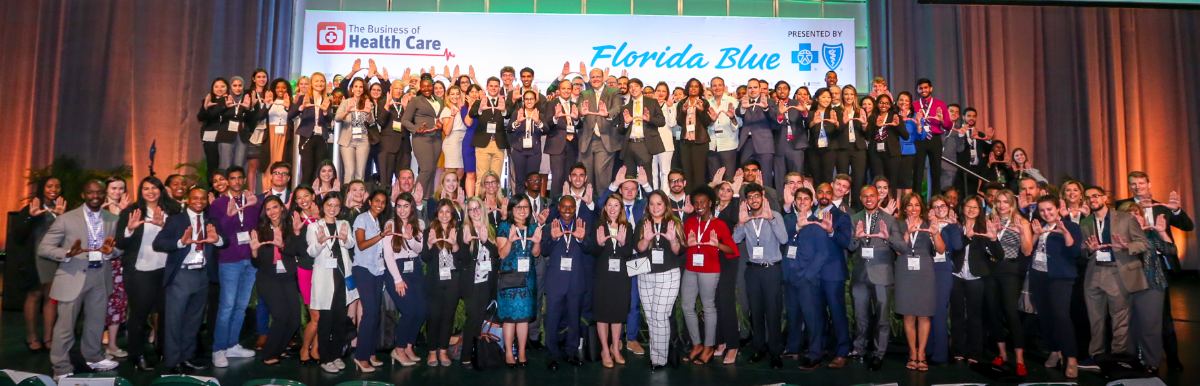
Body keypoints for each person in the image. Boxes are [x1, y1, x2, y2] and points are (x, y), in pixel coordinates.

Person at [40, 180, 121, 380]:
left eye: (99, 193)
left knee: (96, 322)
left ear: (104, 195)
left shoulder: (112, 218)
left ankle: (94, 356)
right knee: (65, 327)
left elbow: (119, 248)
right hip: (72, 276)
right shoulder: (66, 219)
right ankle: (60, 367)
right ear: (83, 195)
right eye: (90, 192)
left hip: (100, 275)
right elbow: (44, 248)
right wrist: (67, 252)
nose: (95, 196)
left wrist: (112, 253)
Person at [152, 187, 224, 374]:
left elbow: (225, 242)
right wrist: (180, 243)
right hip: (181, 276)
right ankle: (172, 361)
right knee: (174, 321)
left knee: (194, 321)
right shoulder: (177, 220)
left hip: (202, 275)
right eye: (195, 198)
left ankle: (187, 357)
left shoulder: (211, 220)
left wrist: (217, 240)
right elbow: (158, 243)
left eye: (202, 198)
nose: (199, 201)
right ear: (188, 200)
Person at [114, 177, 178, 371]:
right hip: (140, 271)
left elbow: (178, 239)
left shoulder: (173, 210)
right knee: (139, 316)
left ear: (161, 190)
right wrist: (129, 230)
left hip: (166, 270)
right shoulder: (132, 211)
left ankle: (163, 350)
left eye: (154, 188)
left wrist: (163, 227)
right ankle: (137, 355)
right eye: (146, 188)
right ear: (141, 192)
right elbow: (120, 244)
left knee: (166, 314)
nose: (150, 192)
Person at [1079, 185, 1148, 364]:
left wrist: (1126, 246)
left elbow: (1143, 243)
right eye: (1088, 198)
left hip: (1118, 271)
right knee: (1095, 318)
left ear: (1104, 198)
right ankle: (1096, 354)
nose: (1092, 200)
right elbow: (1081, 250)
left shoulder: (1125, 218)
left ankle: (1118, 355)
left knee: (1119, 317)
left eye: (1095, 196)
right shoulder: (1085, 222)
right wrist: (1088, 249)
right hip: (1094, 272)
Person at [207, 167, 260, 368]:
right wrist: (229, 215)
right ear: (228, 181)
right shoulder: (219, 204)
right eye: (233, 178)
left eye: (240, 178)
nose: (237, 181)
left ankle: (232, 344)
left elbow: (255, 227)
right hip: (229, 260)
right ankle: (218, 349)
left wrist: (254, 206)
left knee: (241, 306)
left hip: (249, 258)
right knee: (227, 306)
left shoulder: (252, 200)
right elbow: (218, 231)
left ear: (244, 179)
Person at [732, 183, 788, 369]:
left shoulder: (775, 216)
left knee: (773, 312)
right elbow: (735, 240)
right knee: (755, 311)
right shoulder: (746, 219)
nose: (754, 200)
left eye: (757, 196)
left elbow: (784, 239)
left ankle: (775, 352)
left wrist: (770, 218)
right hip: (753, 271)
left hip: (771, 269)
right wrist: (741, 222)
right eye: (750, 197)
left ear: (763, 196)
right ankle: (759, 348)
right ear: (746, 201)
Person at [848, 185, 904, 371]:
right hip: (860, 275)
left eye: (872, 195)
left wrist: (888, 238)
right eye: (865, 196)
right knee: (860, 317)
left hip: (882, 275)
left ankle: (879, 354)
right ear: (861, 198)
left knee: (882, 319)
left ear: (878, 198)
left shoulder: (889, 220)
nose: (869, 199)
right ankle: (859, 349)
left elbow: (902, 248)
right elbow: (849, 246)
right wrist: (855, 238)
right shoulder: (854, 218)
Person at [680, 185, 738, 365]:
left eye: (703, 202)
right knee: (687, 306)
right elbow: (681, 245)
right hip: (691, 269)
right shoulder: (689, 222)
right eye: (696, 202)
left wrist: (717, 244)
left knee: (708, 307)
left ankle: (709, 346)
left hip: (710, 271)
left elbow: (733, 251)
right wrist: (685, 244)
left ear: (710, 203)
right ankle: (697, 344)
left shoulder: (719, 224)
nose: (699, 205)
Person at [1028, 196, 1083, 378]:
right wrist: (1035, 234)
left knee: (1061, 316)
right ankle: (1054, 350)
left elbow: (1074, 252)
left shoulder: (1071, 226)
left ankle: (1071, 358)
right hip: (1038, 276)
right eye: (1042, 210)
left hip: (1060, 278)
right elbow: (1027, 251)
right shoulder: (1039, 226)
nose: (1046, 213)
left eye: (1050, 209)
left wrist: (1064, 232)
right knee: (1044, 316)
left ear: (1058, 208)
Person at [306, 192, 359, 373]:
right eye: (329, 205)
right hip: (324, 280)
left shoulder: (344, 224)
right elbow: (312, 252)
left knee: (339, 320)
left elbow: (351, 244)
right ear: (323, 206)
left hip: (342, 278)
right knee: (325, 321)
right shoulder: (314, 227)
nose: (332, 208)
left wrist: (345, 239)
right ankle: (325, 358)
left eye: (336, 205)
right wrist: (321, 242)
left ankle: (336, 355)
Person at [1119, 200, 1174, 373]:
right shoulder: (1119, 237)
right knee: (1129, 325)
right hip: (1125, 285)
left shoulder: (1151, 235)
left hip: (1151, 284)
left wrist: (1162, 231)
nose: (1134, 217)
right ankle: (1132, 358)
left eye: (1137, 213)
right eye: (1129, 215)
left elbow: (1171, 251)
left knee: (1150, 325)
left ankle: (1152, 362)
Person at [13, 177, 66, 353]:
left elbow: (69, 236)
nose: (54, 189)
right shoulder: (31, 207)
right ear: (42, 188)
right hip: (34, 259)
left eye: (57, 186)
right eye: (49, 186)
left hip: (55, 258)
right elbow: (18, 235)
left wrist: (61, 217)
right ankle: (31, 337)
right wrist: (30, 216)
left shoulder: (62, 208)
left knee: (51, 299)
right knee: (34, 296)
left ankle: (48, 338)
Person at [894, 193, 945, 372]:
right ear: (905, 207)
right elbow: (898, 251)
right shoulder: (898, 224)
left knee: (924, 314)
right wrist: (907, 233)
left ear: (921, 207)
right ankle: (912, 353)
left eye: (917, 205)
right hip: (904, 272)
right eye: (910, 205)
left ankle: (921, 354)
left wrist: (935, 232)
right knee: (908, 314)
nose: (913, 208)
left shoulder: (928, 223)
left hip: (924, 272)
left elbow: (940, 249)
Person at [248, 195, 301, 366]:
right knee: (280, 316)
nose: (272, 212)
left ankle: (279, 348)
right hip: (268, 279)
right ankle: (269, 353)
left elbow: (296, 251)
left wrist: (283, 246)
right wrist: (254, 251)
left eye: (275, 207)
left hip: (287, 278)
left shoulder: (290, 227)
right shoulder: (259, 231)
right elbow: (256, 263)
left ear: (281, 208)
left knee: (294, 319)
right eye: (268, 209)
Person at [634, 191, 684, 370]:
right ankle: (657, 354)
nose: (655, 207)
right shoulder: (642, 223)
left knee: (660, 316)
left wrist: (672, 241)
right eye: (652, 204)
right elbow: (639, 248)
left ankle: (659, 359)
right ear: (647, 206)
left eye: (659, 203)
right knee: (651, 318)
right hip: (645, 275)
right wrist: (646, 240)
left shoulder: (674, 223)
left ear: (666, 205)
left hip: (668, 275)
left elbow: (679, 251)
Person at [585, 194, 636, 368]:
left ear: (621, 208)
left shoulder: (627, 227)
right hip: (602, 277)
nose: (613, 209)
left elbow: (629, 252)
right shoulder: (598, 225)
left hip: (621, 277)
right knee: (602, 313)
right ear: (605, 208)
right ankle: (605, 350)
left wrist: (622, 244)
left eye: (616, 205)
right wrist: (598, 244)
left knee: (617, 314)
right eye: (610, 205)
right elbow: (591, 250)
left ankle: (616, 348)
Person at [950, 196, 1001, 364]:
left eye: (975, 207)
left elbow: (999, 255)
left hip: (976, 276)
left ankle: (975, 352)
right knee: (957, 314)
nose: (971, 210)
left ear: (980, 211)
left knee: (975, 315)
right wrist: (967, 237)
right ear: (963, 207)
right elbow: (953, 251)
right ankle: (958, 350)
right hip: (956, 274)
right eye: (968, 206)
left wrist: (993, 238)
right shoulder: (955, 226)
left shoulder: (985, 227)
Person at [541, 196, 590, 370]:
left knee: (574, 320)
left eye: (571, 207)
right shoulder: (550, 227)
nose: (568, 210)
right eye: (564, 207)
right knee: (552, 320)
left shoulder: (582, 227)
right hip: (555, 282)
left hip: (576, 281)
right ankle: (552, 355)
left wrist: (581, 239)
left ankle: (571, 352)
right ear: (559, 208)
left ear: (575, 208)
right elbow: (543, 251)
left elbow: (590, 249)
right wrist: (553, 239)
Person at [987, 190, 1034, 376]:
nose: (1001, 205)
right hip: (990, 268)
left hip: (1010, 270)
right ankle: (1002, 354)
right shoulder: (989, 218)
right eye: (998, 201)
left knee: (1011, 313)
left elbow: (1028, 250)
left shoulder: (1021, 221)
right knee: (993, 311)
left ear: (1012, 203)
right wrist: (992, 234)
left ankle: (1020, 359)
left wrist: (1022, 233)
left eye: (1005, 202)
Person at [382, 192, 427, 366]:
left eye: (406, 206)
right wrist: (397, 279)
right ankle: (398, 349)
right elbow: (388, 255)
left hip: (414, 269)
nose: (402, 210)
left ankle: (409, 345)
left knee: (422, 310)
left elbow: (419, 249)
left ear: (412, 208)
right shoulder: (390, 224)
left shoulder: (418, 224)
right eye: (399, 206)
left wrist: (410, 238)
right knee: (408, 311)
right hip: (396, 271)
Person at [497, 196, 542, 367]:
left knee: (523, 318)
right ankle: (509, 352)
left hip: (527, 279)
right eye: (518, 207)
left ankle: (522, 352)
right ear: (511, 210)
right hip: (509, 278)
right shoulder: (505, 226)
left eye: (525, 207)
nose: (522, 211)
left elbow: (536, 254)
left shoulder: (533, 227)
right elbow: (501, 254)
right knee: (509, 319)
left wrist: (537, 243)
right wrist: (510, 240)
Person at [350, 191, 393, 372]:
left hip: (377, 270)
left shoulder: (377, 222)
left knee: (375, 313)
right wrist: (382, 236)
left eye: (383, 202)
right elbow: (361, 244)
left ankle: (370, 352)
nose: (380, 204)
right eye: (377, 201)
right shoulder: (362, 219)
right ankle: (361, 356)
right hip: (363, 269)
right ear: (370, 202)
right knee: (370, 312)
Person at [423, 199, 467, 366]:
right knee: (433, 318)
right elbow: (425, 258)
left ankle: (443, 351)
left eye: (448, 211)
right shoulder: (430, 231)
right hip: (434, 281)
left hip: (453, 282)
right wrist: (428, 243)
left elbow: (464, 259)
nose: (444, 215)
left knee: (448, 318)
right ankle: (432, 352)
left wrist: (455, 245)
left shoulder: (458, 232)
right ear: (436, 214)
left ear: (452, 214)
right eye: (441, 211)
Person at [458, 197, 499, 366]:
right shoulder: (464, 230)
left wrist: (485, 242)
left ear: (483, 210)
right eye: (471, 209)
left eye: (477, 208)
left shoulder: (490, 229)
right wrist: (466, 244)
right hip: (471, 283)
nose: (474, 212)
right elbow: (462, 260)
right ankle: (465, 356)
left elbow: (496, 257)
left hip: (486, 281)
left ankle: (474, 351)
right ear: (467, 213)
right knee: (472, 318)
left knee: (479, 317)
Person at [578, 68, 623, 192]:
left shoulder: (614, 92)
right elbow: (579, 110)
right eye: (593, 77)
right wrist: (581, 113)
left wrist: (607, 114)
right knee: (586, 179)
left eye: (598, 76)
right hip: (587, 141)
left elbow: (617, 108)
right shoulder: (584, 94)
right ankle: (588, 207)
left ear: (603, 78)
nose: (595, 79)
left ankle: (603, 207)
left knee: (602, 177)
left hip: (605, 139)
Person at [401, 76, 445, 198]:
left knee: (432, 171)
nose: (426, 88)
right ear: (420, 87)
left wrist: (440, 124)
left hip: (436, 138)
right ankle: (415, 198)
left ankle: (427, 199)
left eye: (429, 86)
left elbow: (439, 116)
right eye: (424, 86)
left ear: (433, 86)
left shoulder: (439, 100)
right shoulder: (416, 100)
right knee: (426, 169)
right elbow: (405, 120)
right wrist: (416, 128)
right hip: (421, 139)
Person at [469, 77, 511, 192]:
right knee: (482, 178)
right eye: (491, 86)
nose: (493, 88)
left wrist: (503, 111)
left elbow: (509, 116)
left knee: (496, 179)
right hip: (483, 144)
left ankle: (495, 206)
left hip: (499, 144)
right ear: (487, 87)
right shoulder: (480, 101)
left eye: (496, 86)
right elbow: (472, 114)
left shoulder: (504, 102)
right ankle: (477, 206)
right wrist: (480, 110)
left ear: (499, 88)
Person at [675, 78, 716, 191]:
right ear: (687, 88)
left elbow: (707, 123)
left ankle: (699, 199)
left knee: (699, 173)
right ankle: (688, 199)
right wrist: (683, 112)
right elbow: (679, 122)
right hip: (685, 142)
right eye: (691, 86)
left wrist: (701, 110)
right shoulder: (682, 103)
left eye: (696, 86)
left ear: (700, 89)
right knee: (686, 172)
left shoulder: (704, 102)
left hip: (700, 142)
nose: (693, 88)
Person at [619, 78, 666, 174]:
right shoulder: (625, 107)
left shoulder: (652, 102)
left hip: (645, 144)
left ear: (641, 88)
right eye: (630, 87)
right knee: (629, 179)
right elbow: (620, 130)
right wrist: (626, 123)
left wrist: (649, 119)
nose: (633, 89)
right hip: (629, 145)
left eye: (636, 86)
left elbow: (662, 121)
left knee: (646, 178)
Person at [913, 79, 951, 196]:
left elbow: (948, 125)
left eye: (925, 87)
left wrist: (942, 120)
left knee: (936, 171)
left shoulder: (940, 104)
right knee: (918, 171)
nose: (923, 90)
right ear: (917, 90)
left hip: (934, 138)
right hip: (919, 139)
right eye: (921, 88)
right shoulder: (914, 105)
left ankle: (935, 200)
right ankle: (917, 200)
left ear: (931, 88)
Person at [736, 79, 778, 186]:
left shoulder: (769, 102)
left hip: (764, 144)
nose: (752, 90)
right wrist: (742, 109)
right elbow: (738, 113)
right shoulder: (743, 101)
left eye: (755, 87)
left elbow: (775, 119)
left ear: (760, 89)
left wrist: (766, 108)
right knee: (744, 175)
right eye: (749, 88)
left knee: (766, 176)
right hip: (746, 143)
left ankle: (766, 200)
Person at [546, 80, 582, 198]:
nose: (566, 91)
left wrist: (576, 119)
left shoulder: (574, 105)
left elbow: (579, 125)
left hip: (572, 145)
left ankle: (568, 203)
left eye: (568, 89)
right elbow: (547, 125)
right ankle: (554, 208)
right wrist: (555, 118)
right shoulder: (552, 104)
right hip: (557, 145)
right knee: (557, 178)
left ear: (571, 90)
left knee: (569, 177)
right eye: (563, 88)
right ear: (559, 90)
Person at [336, 78, 376, 182]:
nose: (358, 89)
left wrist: (368, 113)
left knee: (360, 173)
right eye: (356, 86)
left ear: (363, 89)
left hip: (363, 139)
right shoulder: (346, 102)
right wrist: (347, 112)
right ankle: (346, 197)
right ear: (352, 89)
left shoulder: (368, 102)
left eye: (361, 87)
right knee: (350, 172)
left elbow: (372, 122)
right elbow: (337, 118)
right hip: (347, 139)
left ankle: (359, 197)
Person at [773, 80, 807, 194]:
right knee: (779, 179)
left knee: (797, 178)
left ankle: (798, 202)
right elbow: (771, 124)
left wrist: (804, 113)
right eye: (779, 88)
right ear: (775, 91)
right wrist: (780, 115)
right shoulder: (770, 105)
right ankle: (781, 205)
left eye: (785, 88)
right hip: (779, 146)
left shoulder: (797, 103)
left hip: (796, 145)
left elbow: (808, 122)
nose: (782, 90)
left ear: (789, 90)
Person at [509, 90, 546, 195]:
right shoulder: (517, 113)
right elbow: (509, 129)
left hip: (534, 152)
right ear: (523, 100)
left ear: (535, 100)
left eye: (531, 99)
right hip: (519, 151)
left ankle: (533, 205)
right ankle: (520, 204)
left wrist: (538, 121)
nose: (529, 101)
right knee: (520, 179)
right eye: (526, 99)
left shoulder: (539, 114)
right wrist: (517, 122)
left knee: (533, 180)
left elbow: (546, 130)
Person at [379, 74, 413, 187]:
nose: (398, 91)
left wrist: (405, 108)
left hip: (404, 146)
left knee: (404, 181)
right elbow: (381, 122)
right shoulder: (383, 101)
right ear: (391, 89)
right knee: (386, 180)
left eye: (401, 89)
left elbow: (411, 124)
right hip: (388, 146)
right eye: (396, 88)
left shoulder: (407, 103)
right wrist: (387, 107)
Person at [704, 77, 735, 186]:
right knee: (714, 180)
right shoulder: (706, 103)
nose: (717, 88)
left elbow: (738, 123)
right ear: (711, 88)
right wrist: (711, 121)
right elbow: (704, 124)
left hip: (728, 145)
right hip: (712, 144)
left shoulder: (732, 101)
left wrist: (732, 118)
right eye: (714, 85)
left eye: (719, 85)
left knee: (729, 180)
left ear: (724, 86)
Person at [808, 88, 842, 184]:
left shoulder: (834, 112)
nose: (826, 99)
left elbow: (840, 130)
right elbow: (806, 127)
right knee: (816, 177)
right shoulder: (811, 113)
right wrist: (813, 122)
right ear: (817, 99)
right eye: (823, 97)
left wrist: (836, 123)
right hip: (814, 149)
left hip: (830, 149)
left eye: (828, 97)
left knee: (828, 177)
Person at [198, 78, 231, 176]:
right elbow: (201, 117)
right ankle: (213, 189)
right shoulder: (208, 101)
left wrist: (223, 103)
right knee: (212, 165)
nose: (219, 89)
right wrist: (205, 107)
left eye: (222, 86)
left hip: (226, 137)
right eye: (216, 86)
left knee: (225, 164)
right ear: (212, 88)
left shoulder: (231, 100)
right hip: (210, 136)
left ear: (227, 88)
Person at [838, 85, 869, 188]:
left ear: (855, 96)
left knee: (859, 180)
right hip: (842, 149)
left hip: (858, 148)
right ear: (842, 96)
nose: (849, 97)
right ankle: (844, 203)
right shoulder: (836, 111)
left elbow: (866, 134)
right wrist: (843, 123)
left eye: (851, 94)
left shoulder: (860, 111)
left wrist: (864, 125)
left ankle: (857, 204)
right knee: (843, 180)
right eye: (846, 94)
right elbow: (834, 132)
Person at [652, 82, 679, 191]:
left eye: (664, 91)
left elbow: (672, 123)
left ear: (667, 93)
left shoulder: (671, 105)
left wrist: (670, 107)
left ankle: (665, 197)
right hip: (651, 143)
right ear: (655, 92)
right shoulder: (650, 104)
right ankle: (653, 195)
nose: (661, 93)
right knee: (653, 172)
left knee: (665, 171)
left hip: (666, 143)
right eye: (658, 90)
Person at [893, 92, 919, 198]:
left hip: (908, 152)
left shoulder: (915, 116)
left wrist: (919, 125)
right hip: (893, 151)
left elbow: (921, 137)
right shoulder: (892, 115)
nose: (903, 102)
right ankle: (897, 208)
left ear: (910, 103)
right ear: (897, 101)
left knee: (906, 181)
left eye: (906, 100)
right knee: (896, 182)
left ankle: (908, 206)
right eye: (901, 100)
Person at [440, 86, 470, 177]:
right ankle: (446, 191)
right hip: (452, 142)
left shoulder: (464, 108)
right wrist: (452, 115)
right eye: (452, 94)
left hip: (464, 141)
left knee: (461, 172)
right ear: (448, 96)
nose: (455, 96)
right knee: (451, 173)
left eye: (457, 94)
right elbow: (447, 132)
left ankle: (457, 191)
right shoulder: (447, 110)